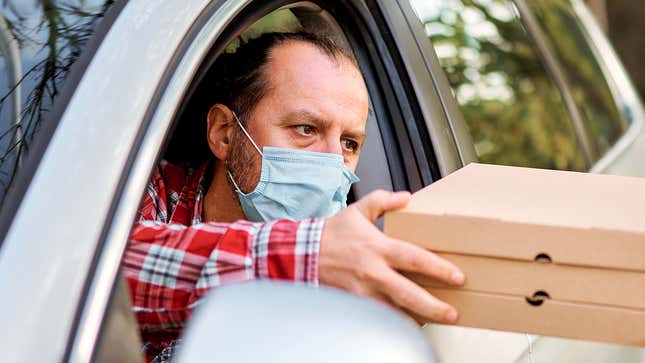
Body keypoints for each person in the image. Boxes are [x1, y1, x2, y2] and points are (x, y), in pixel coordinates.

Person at [123, 31, 465, 361]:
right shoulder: (141, 192)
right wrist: (306, 256)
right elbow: (100, 272)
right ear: (224, 134)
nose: (333, 162)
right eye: (306, 129)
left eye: (349, 143)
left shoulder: (361, 271)